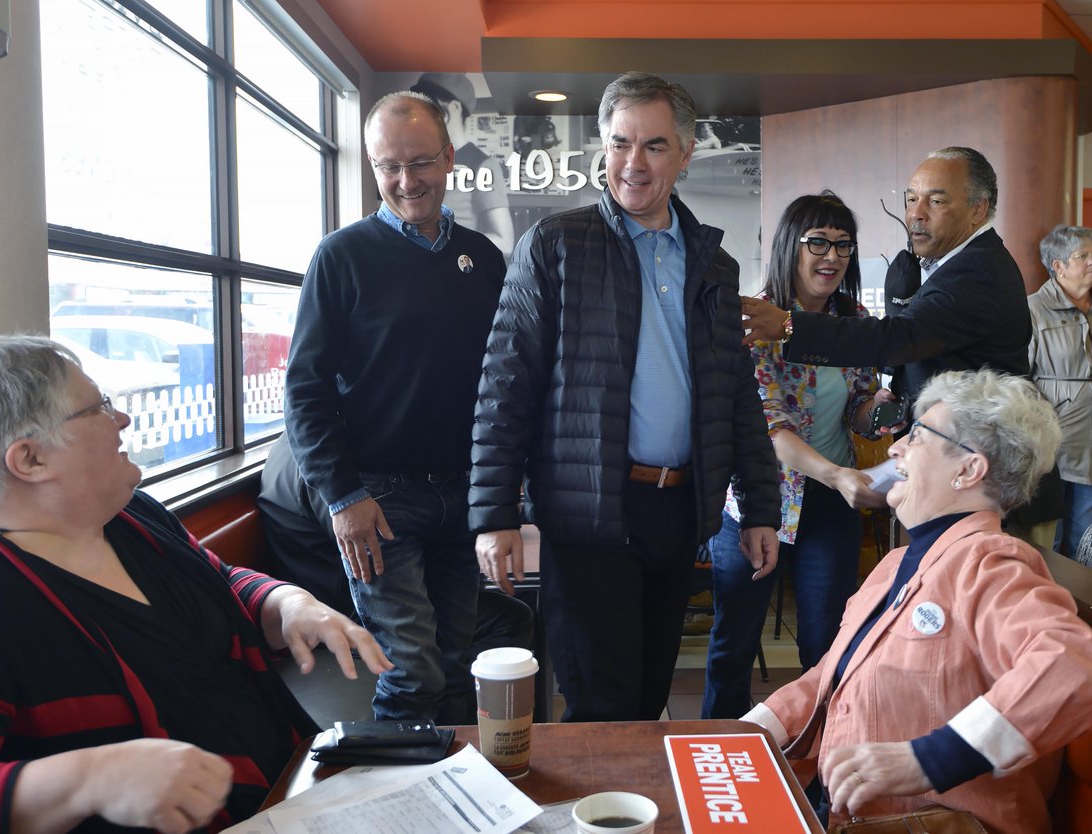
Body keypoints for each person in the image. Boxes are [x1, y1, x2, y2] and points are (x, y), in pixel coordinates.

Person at [0, 335, 391, 833]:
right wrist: (87, 778)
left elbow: (216, 580)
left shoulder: (131, 516)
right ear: (30, 460)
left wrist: (284, 602)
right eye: (98, 408)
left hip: (292, 795)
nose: (122, 419)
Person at [468, 71, 780, 723]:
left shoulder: (714, 266)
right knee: (600, 707)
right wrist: (494, 514)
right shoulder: (556, 245)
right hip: (588, 515)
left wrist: (759, 508)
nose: (633, 163)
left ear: (685, 154)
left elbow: (736, 396)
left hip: (678, 512)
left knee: (648, 697)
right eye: (620, 143)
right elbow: (505, 385)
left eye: (654, 146)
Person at [742, 369, 1092, 834]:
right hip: (854, 819)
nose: (895, 448)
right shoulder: (896, 564)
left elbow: (1073, 663)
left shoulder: (990, 563)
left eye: (919, 436)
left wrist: (928, 760)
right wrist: (744, 734)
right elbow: (831, 678)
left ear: (968, 470)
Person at [282, 92, 506, 724]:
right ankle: (396, 784)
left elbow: (503, 383)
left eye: (421, 162)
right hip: (377, 499)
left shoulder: (485, 259)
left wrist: (502, 487)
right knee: (411, 670)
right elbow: (304, 388)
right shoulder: (341, 256)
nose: (407, 181)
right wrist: (342, 497)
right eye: (389, 166)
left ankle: (456, 783)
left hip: (465, 492)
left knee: (458, 664)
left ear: (449, 158)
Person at [702, 192, 891, 719]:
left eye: (843, 245)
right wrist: (838, 474)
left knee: (825, 646)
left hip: (830, 505)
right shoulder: (756, 318)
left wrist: (878, 410)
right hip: (757, 502)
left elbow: (858, 406)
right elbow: (770, 427)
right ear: (791, 245)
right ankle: (718, 746)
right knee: (733, 644)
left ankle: (818, 754)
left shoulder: (852, 318)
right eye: (818, 243)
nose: (832, 257)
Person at [740, 147, 1030, 411]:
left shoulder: (978, 270)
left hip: (974, 444)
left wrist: (788, 326)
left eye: (936, 201)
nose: (916, 213)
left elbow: (899, 338)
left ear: (978, 209)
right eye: (911, 199)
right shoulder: (958, 263)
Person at [258, 434, 535, 661]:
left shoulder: (301, 448)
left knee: (501, 597)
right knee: (511, 618)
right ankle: (455, 708)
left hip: (328, 592)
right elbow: (380, 555)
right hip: (344, 614)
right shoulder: (333, 473)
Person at [1029, 224, 1092, 557]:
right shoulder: (1033, 309)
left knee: (1085, 539)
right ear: (1058, 266)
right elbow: (1019, 379)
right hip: (1053, 445)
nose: (1091, 262)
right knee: (1047, 541)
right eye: (1083, 256)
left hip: (1089, 449)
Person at [411, 72, 516, 258]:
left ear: (454, 108)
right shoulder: (418, 160)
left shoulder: (483, 164)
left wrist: (448, 242)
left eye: (430, 104)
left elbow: (505, 242)